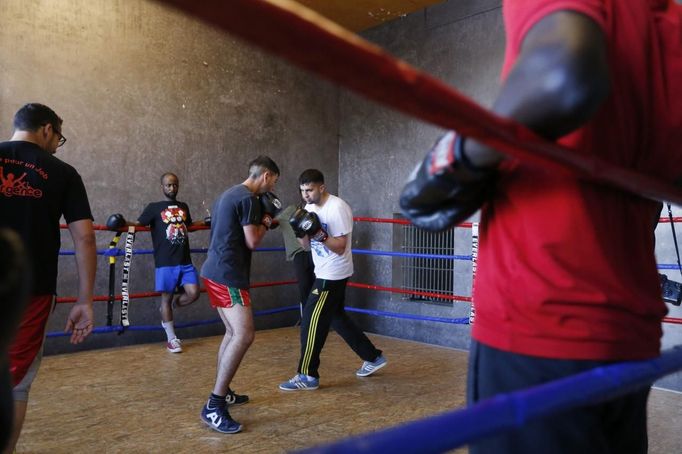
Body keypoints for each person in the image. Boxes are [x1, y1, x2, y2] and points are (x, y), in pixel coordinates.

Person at [400, 1, 682, 453]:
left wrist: (453, 158)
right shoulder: (670, 22)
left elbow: (560, 73)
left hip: (538, 319)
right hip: (630, 335)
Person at [0, 103, 96, 453]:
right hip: (30, 291)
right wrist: (84, 300)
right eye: (59, 137)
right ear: (46, 129)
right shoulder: (63, 173)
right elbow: (84, 237)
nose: (57, 145)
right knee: (15, 383)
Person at [279, 169, 386, 391]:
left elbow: (339, 247)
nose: (306, 195)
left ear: (321, 187)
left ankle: (307, 374)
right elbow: (306, 247)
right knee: (337, 317)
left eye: (309, 190)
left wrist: (320, 233)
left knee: (310, 319)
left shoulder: (337, 208)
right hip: (323, 270)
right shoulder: (308, 208)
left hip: (333, 273)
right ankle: (372, 357)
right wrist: (300, 232)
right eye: (302, 191)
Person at [199, 155, 282, 434]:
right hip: (228, 274)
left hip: (214, 270)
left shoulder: (229, 193)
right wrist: (268, 220)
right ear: (266, 176)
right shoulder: (249, 199)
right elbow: (253, 240)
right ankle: (214, 404)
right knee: (244, 334)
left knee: (231, 333)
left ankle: (225, 391)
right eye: (273, 182)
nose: (272, 189)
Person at [107, 173, 206, 353]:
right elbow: (138, 224)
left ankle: (172, 306)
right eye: (168, 185)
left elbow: (189, 225)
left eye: (175, 185)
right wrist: (121, 223)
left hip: (185, 261)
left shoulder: (183, 206)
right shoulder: (154, 208)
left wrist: (206, 222)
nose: (172, 188)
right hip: (165, 262)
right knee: (165, 299)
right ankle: (172, 339)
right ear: (162, 186)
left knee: (193, 293)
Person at [276, 201, 315, 321]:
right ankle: (307, 321)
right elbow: (274, 222)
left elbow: (273, 222)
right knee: (307, 289)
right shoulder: (291, 209)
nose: (306, 195)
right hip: (302, 253)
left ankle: (313, 321)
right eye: (304, 191)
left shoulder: (315, 212)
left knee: (313, 289)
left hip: (312, 252)